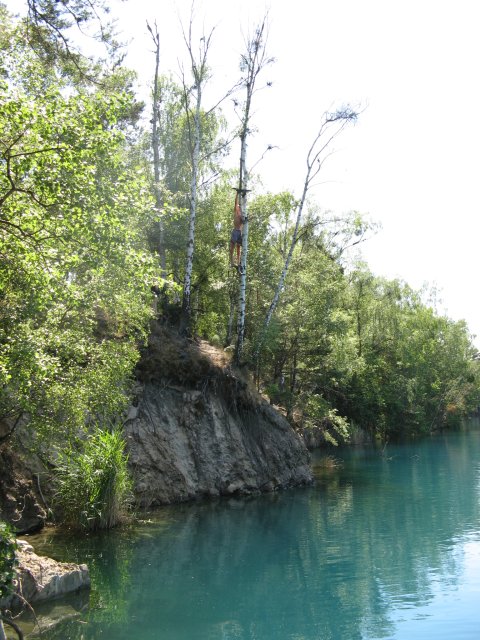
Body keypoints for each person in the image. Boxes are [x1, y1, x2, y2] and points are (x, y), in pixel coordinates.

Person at [229, 190, 243, 268]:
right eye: (238, 206)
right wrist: (237, 193)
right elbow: (235, 202)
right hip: (235, 231)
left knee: (239, 248)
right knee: (232, 248)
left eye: (240, 206)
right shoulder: (236, 212)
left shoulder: (242, 215)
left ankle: (238, 262)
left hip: (240, 233)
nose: (238, 207)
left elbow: (245, 222)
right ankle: (232, 262)